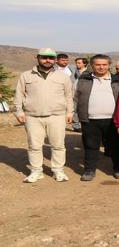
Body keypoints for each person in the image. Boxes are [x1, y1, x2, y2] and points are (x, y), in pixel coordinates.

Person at [13, 48, 73, 182]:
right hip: (32, 116)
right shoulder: (26, 75)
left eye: (51, 58)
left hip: (56, 116)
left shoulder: (62, 76)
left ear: (55, 60)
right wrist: (18, 111)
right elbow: (19, 94)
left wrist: (69, 112)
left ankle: (58, 171)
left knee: (58, 145)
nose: (48, 60)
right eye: (44, 57)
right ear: (38, 58)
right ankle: (36, 171)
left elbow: (69, 96)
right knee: (34, 146)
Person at [74, 54, 119, 181]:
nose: (101, 67)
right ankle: (89, 171)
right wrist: (72, 114)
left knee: (115, 146)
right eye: (98, 65)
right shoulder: (82, 79)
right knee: (90, 146)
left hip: (113, 120)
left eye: (104, 64)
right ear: (92, 66)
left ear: (109, 65)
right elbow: (74, 98)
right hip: (90, 119)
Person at [71, 57, 89, 132]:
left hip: (84, 93)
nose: (77, 64)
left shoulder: (88, 73)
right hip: (75, 93)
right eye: (76, 63)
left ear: (84, 63)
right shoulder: (74, 72)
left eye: (79, 63)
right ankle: (76, 126)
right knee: (74, 109)